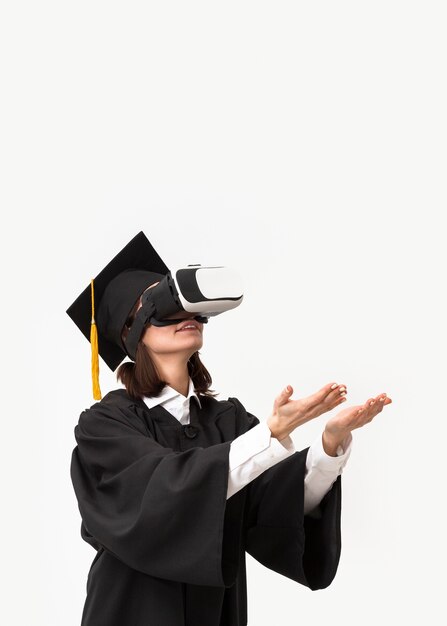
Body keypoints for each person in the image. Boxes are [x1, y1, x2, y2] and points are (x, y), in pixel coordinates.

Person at [67, 232, 392, 626]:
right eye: (160, 304)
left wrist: (327, 447)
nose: (183, 313)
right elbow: (162, 491)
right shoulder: (105, 426)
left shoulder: (227, 420)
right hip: (128, 611)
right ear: (131, 332)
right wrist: (268, 436)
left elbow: (273, 509)